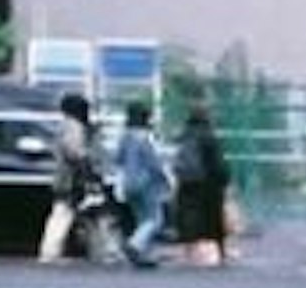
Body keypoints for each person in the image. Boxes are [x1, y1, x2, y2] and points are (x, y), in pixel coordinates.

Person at [110, 100, 173, 267]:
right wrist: (166, 180)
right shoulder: (146, 137)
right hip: (145, 183)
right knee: (155, 219)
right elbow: (155, 162)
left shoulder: (124, 136)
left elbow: (117, 159)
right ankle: (134, 245)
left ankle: (142, 255)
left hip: (127, 183)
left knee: (141, 219)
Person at [42, 91, 100, 261]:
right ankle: (51, 252)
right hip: (71, 178)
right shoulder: (75, 127)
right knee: (63, 214)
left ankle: (52, 251)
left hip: (64, 176)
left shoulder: (63, 126)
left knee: (64, 213)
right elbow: (76, 152)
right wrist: (88, 168)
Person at [171, 105, 232, 265]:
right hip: (208, 183)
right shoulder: (208, 136)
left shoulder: (184, 135)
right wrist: (225, 180)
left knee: (188, 216)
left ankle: (189, 252)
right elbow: (217, 163)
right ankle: (220, 252)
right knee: (213, 218)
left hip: (186, 181)